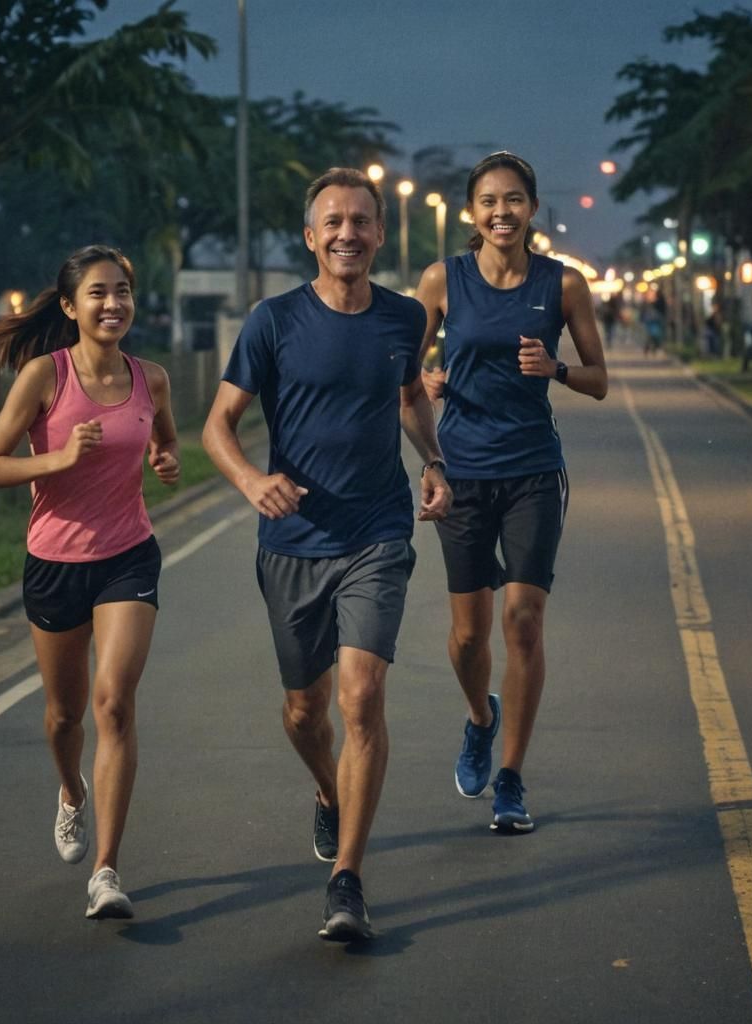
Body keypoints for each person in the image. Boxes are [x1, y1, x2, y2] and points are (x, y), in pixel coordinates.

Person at [202, 167, 451, 943]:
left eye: (361, 221)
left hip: (377, 532)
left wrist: (434, 462)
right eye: (333, 221)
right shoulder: (272, 321)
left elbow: (410, 394)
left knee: (359, 698)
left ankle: (347, 880)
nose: (348, 233)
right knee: (306, 712)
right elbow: (217, 424)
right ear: (311, 237)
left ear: (381, 234)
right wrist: (250, 480)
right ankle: (326, 789)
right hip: (292, 543)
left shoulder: (405, 319)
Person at [0, 245, 180, 919]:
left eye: (122, 290)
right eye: (97, 293)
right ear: (70, 306)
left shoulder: (152, 378)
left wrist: (166, 457)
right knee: (64, 718)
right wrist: (59, 458)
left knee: (113, 703)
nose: (113, 303)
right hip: (55, 562)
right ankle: (71, 793)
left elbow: (165, 438)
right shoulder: (44, 376)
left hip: (129, 555)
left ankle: (107, 871)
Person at [415, 151, 607, 834]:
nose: (502, 212)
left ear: (531, 209)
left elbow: (598, 379)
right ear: (473, 212)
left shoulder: (563, 285)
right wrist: (425, 382)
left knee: (522, 619)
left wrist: (554, 367)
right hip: (462, 472)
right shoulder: (443, 280)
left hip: (532, 470)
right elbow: (403, 372)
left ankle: (512, 778)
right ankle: (479, 718)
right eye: (490, 201)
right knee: (469, 638)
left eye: (515, 200)